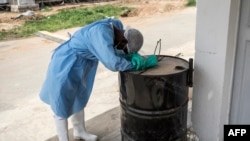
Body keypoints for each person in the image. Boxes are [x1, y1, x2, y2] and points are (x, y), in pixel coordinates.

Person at [39, 18, 157, 141]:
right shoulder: (101, 34)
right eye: (124, 49)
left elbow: (116, 52)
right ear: (122, 41)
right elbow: (113, 63)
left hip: (82, 64)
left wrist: (130, 56)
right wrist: (136, 65)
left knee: (78, 97)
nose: (123, 51)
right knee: (61, 101)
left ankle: (79, 131)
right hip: (67, 64)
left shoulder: (116, 27)